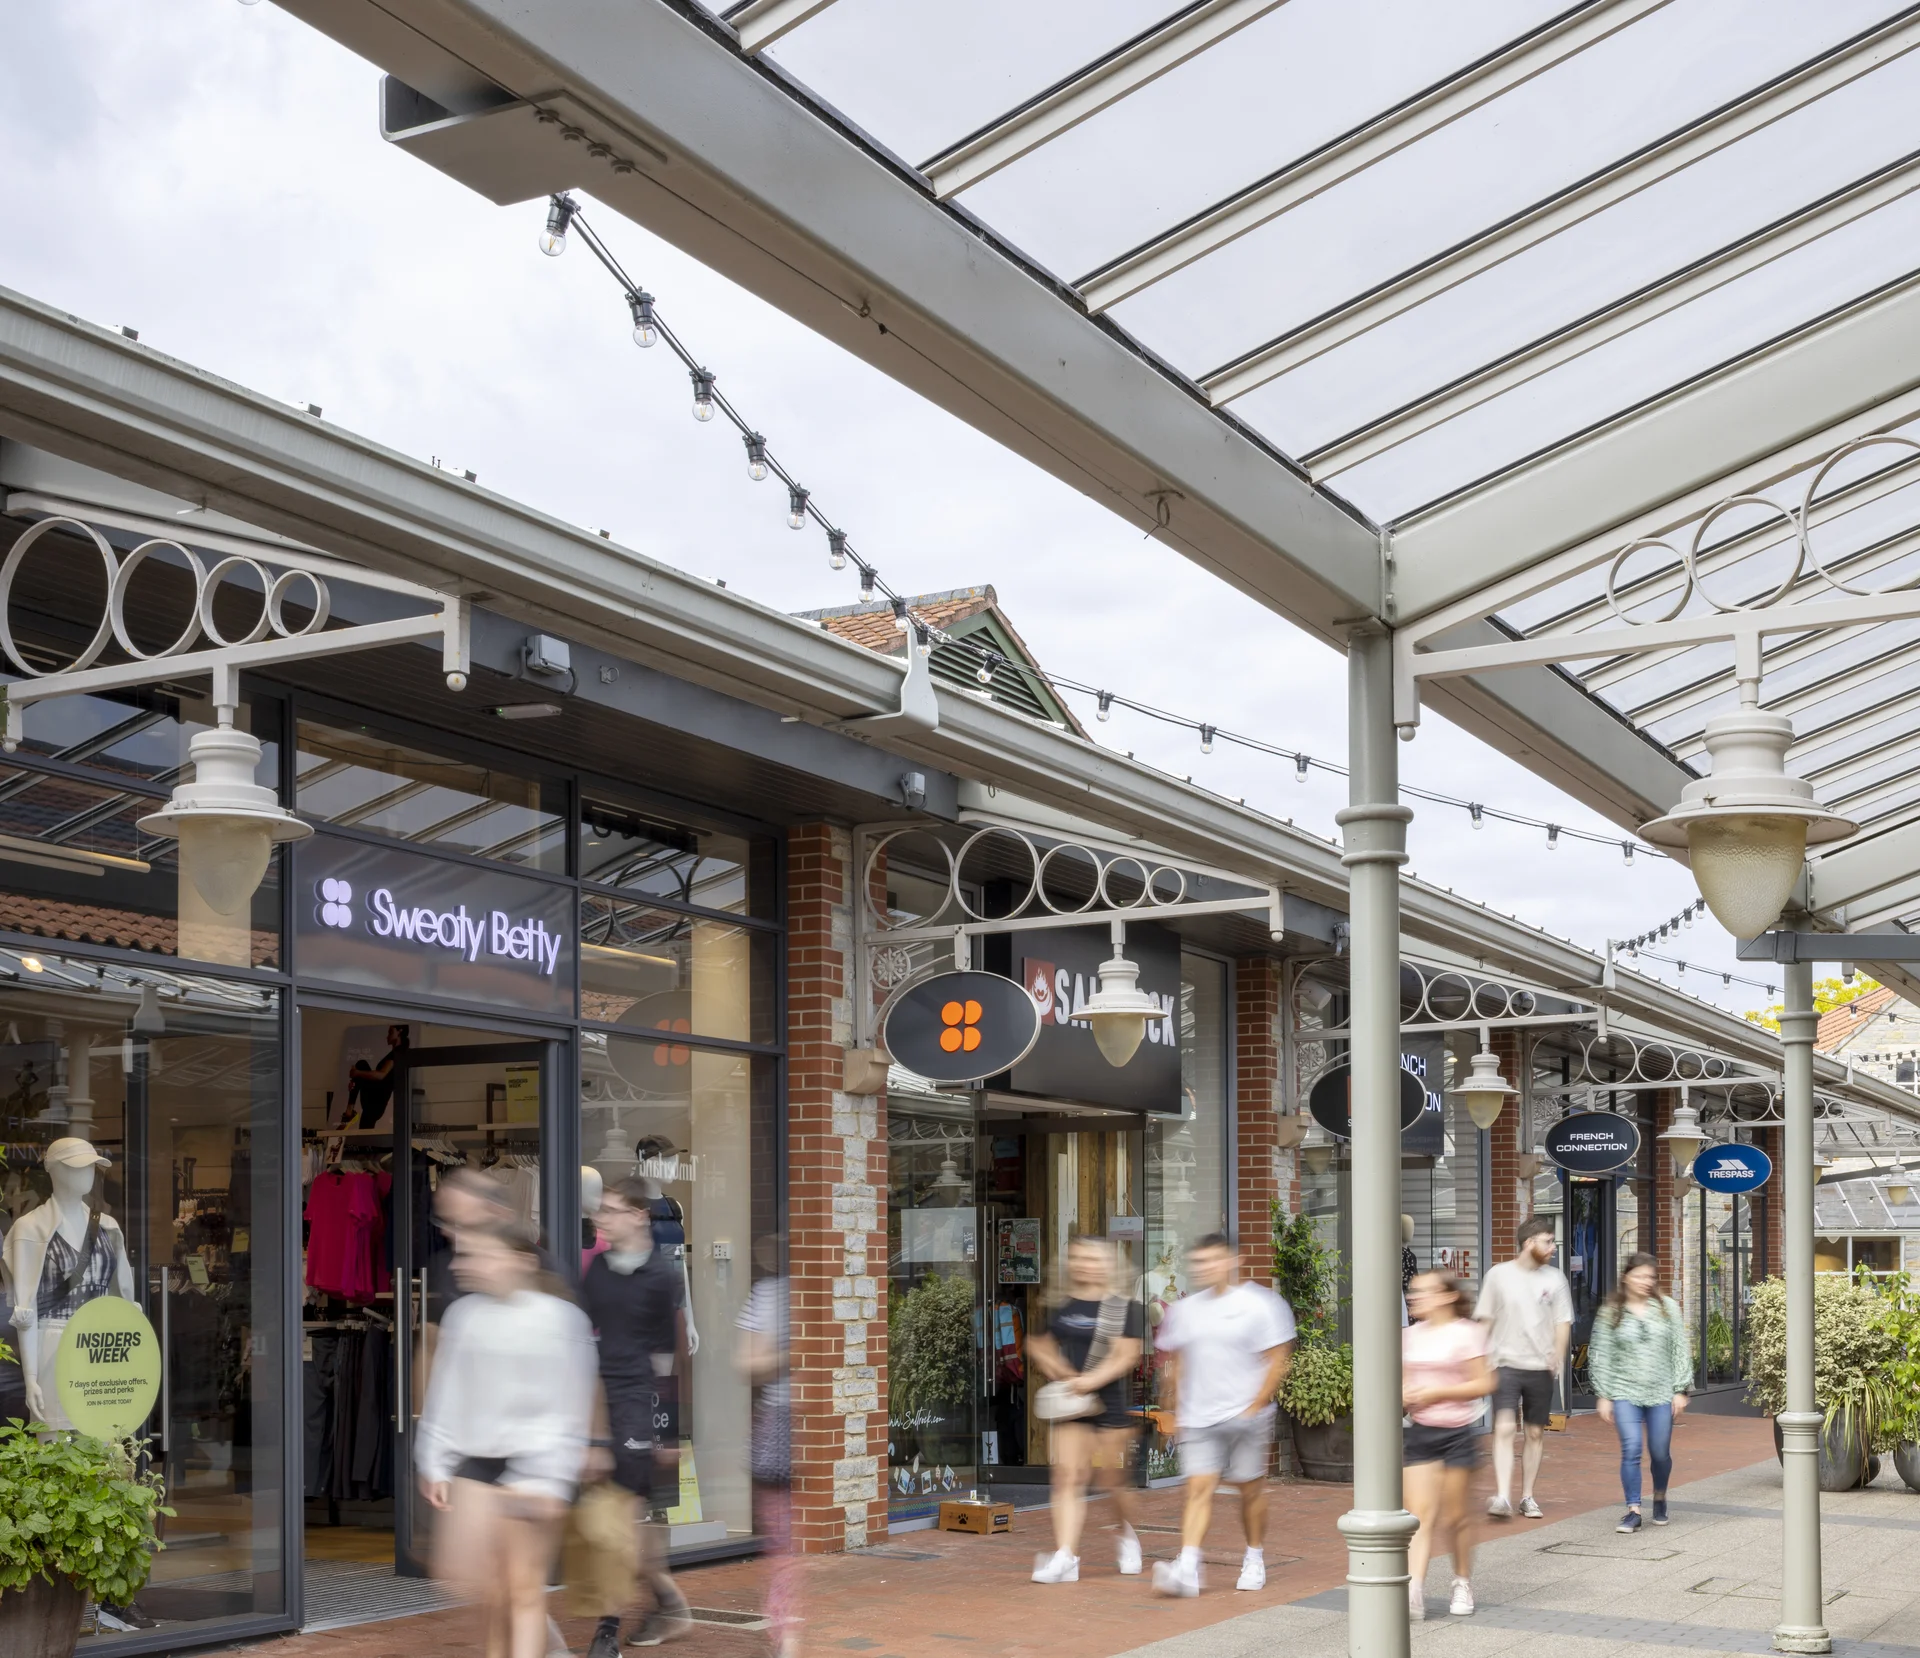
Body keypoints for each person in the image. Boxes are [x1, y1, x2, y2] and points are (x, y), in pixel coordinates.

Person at [415, 1225, 597, 1658]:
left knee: (522, 1589)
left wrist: (552, 1478)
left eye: (477, 1254)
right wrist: (435, 1462)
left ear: (521, 1261)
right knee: (489, 1592)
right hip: (477, 1458)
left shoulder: (561, 1318)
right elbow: (446, 1391)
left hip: (537, 1461)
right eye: (463, 1255)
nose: (462, 1265)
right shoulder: (464, 1315)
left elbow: (573, 1400)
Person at [581, 1179, 693, 1654]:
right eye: (599, 1211)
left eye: (610, 1210)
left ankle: (607, 1630)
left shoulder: (662, 1275)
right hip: (600, 1402)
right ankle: (668, 1601)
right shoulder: (598, 1272)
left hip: (637, 1406)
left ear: (638, 1216)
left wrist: (671, 1430)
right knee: (619, 1519)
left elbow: (673, 1354)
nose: (600, 1218)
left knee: (619, 1518)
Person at [1149, 1234, 1296, 1597]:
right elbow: (1176, 1362)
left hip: (1246, 1414)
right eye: (1199, 1262)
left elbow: (1278, 1359)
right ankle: (1188, 1566)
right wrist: (1175, 1409)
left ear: (1233, 1261)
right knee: (1198, 1489)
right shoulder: (1185, 1309)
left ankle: (1254, 1556)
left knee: (1249, 1491)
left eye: (1213, 1260)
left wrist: (1256, 1404)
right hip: (1200, 1417)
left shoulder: (1262, 1304)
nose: (1205, 1268)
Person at [1026, 1236, 1146, 1584]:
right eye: (1077, 1258)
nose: (1083, 1264)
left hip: (1110, 1404)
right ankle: (1066, 1556)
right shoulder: (1062, 1306)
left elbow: (1126, 1356)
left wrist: (1089, 1382)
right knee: (1067, 1476)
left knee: (1112, 1481)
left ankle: (1127, 1535)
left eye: (1091, 1258)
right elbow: (1037, 1343)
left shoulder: (1127, 1308)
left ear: (1108, 1264)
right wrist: (1061, 1373)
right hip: (1074, 1405)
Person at [1402, 1272, 1495, 1620]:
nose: (1413, 1297)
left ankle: (1462, 1581)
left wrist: (1438, 1392)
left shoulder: (1467, 1333)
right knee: (1418, 1516)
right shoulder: (1408, 1336)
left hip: (1457, 1433)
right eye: (1412, 1292)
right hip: (1421, 1432)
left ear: (1445, 1296)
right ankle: (1414, 1590)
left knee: (1455, 1518)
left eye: (1422, 1292)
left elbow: (1485, 1381)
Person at [1589, 1252, 1692, 1534]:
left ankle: (1659, 1497)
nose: (1646, 1281)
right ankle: (1633, 1509)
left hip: (1660, 1390)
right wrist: (1604, 1394)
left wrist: (1680, 1388)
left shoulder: (1667, 1308)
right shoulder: (1611, 1311)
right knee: (1631, 1449)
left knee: (1659, 1452)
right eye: (1640, 1276)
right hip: (1624, 1391)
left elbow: (1679, 1349)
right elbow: (1601, 1354)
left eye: (1651, 1277)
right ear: (1626, 1278)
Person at [1477, 1217, 1571, 1519]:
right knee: (1504, 1427)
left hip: (1540, 1367)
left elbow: (1562, 1322)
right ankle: (1503, 1495)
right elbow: (1486, 1318)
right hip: (1504, 1363)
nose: (1553, 1247)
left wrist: (1557, 1356)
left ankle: (1527, 1496)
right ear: (1529, 1243)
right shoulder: (1498, 1275)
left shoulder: (1556, 1279)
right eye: (1548, 1241)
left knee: (1534, 1433)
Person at [736, 1238, 795, 1658]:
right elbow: (747, 1364)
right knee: (783, 1541)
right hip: (782, 1424)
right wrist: (794, 1355)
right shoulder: (767, 1295)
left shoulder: (823, 1288)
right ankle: (786, 1634)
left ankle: (787, 1632)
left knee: (786, 1542)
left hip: (818, 1421)